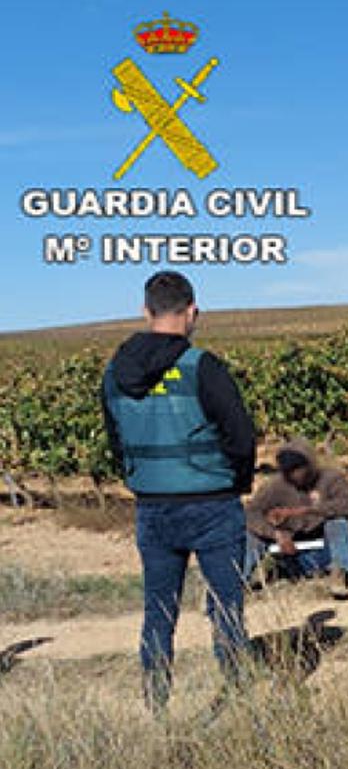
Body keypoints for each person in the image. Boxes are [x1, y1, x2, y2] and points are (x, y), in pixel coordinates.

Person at [100, 271, 256, 711]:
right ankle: (239, 701)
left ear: (146, 312)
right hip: (212, 506)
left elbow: (115, 440)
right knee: (227, 607)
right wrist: (235, 484)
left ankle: (156, 706)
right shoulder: (202, 365)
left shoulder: (114, 374)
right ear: (192, 313)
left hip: (152, 509)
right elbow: (240, 435)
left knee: (158, 612)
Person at [243, 438, 348, 600]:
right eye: (288, 470)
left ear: (310, 464)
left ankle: (339, 575)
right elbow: (251, 514)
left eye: (298, 468)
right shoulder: (275, 486)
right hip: (290, 554)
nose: (294, 474)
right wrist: (275, 534)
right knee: (250, 535)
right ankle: (241, 581)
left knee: (338, 523)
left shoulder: (332, 479)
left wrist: (303, 511)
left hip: (323, 551)